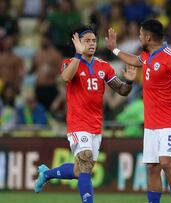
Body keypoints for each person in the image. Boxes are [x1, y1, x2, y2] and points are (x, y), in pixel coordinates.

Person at [34, 25, 136, 203]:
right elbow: (66, 77)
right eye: (87, 41)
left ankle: (47, 174)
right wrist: (77, 55)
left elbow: (123, 91)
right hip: (77, 122)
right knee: (86, 160)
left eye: (94, 41)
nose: (91, 44)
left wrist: (129, 80)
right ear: (78, 43)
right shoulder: (69, 62)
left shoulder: (103, 66)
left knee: (79, 170)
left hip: (96, 125)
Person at [106, 19, 171, 203]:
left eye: (140, 34)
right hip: (151, 124)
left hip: (170, 122)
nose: (138, 37)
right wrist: (114, 48)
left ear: (148, 37)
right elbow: (133, 60)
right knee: (153, 167)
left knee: (167, 163)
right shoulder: (146, 55)